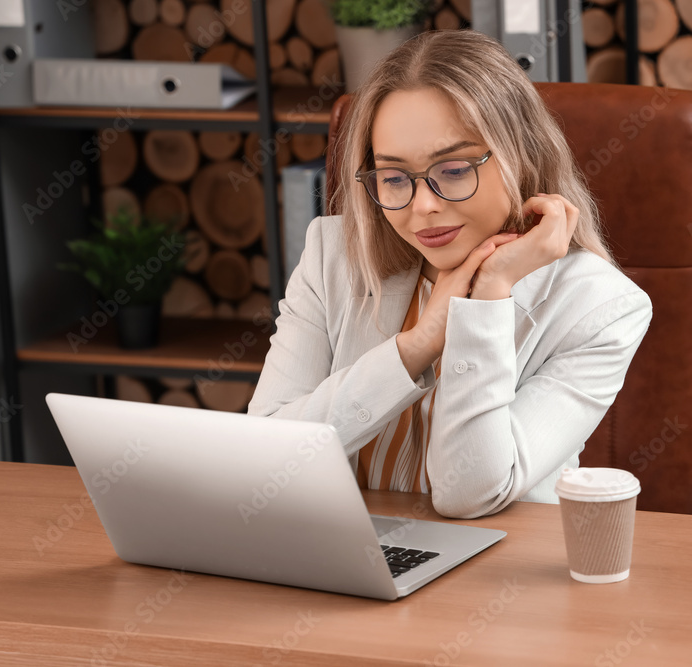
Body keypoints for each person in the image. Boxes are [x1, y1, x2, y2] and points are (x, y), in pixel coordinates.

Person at [247, 29, 652, 519]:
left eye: (454, 169)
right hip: (343, 553)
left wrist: (487, 301)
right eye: (394, 178)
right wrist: (418, 344)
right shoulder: (333, 255)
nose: (422, 207)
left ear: (520, 155)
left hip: (499, 573)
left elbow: (471, 493)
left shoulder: (601, 309)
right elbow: (266, 453)